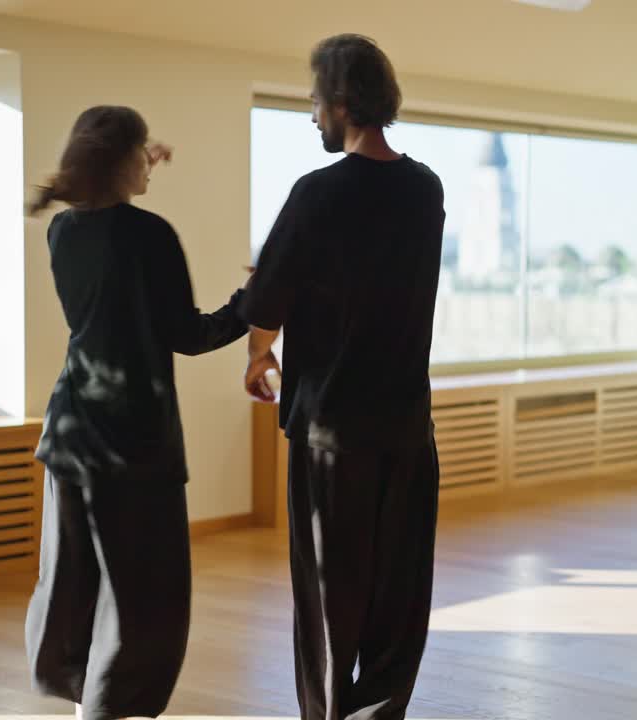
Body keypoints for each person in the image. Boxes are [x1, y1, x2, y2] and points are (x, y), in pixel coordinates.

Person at [241, 34, 446, 720]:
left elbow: (266, 299)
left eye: (313, 103)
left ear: (339, 104)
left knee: (331, 598)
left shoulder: (316, 193)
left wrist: (258, 353)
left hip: (333, 432)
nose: (309, 117)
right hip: (408, 430)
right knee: (399, 598)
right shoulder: (426, 189)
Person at [24, 105, 247, 720]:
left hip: (69, 432)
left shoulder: (63, 231)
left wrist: (131, 160)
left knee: (77, 584)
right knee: (145, 598)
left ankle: (82, 699)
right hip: (132, 441)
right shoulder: (150, 234)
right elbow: (189, 334)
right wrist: (252, 303)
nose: (153, 162)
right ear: (122, 158)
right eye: (143, 151)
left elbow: (109, 244)